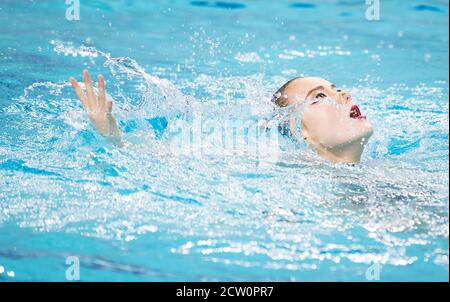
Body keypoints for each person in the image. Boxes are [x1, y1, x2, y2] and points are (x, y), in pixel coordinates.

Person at [69, 70, 373, 163]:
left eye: (337, 89)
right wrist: (112, 137)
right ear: (300, 133)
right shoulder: (288, 170)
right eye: (319, 97)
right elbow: (166, 155)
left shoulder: (397, 171)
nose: (343, 95)